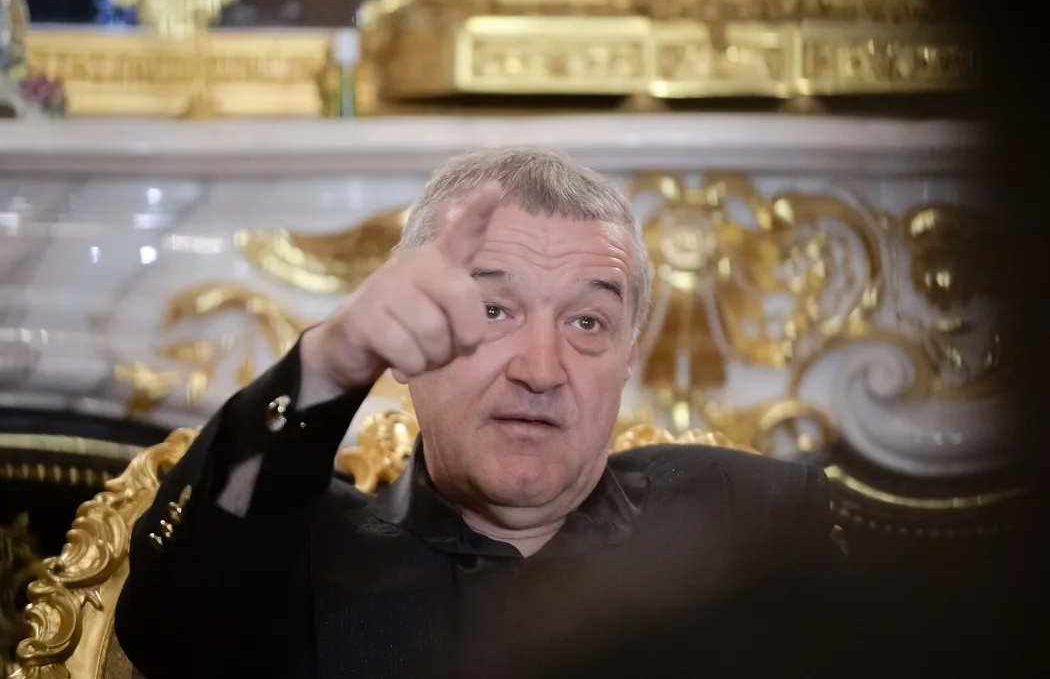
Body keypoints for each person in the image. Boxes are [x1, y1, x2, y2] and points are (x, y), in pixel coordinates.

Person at [114, 147, 842, 679]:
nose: (540, 370)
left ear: (628, 357)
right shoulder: (303, 555)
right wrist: (328, 365)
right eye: (493, 310)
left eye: (587, 322)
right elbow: (173, 626)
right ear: (403, 346)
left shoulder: (754, 525)